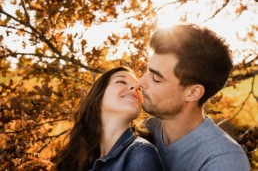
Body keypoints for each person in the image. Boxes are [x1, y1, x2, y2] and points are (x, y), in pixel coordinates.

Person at [138, 24, 250, 170]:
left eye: (156, 78)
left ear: (193, 93)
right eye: (147, 71)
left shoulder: (224, 160)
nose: (140, 82)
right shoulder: (145, 129)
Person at [55, 67, 164, 171]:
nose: (134, 87)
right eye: (121, 81)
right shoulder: (83, 160)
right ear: (97, 99)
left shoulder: (140, 154)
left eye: (139, 88)